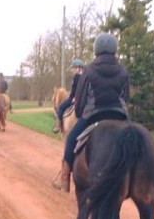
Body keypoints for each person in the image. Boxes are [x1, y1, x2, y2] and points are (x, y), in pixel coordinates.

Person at [55, 33, 129, 192]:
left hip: (93, 115)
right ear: (114, 50)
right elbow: (126, 97)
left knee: (71, 138)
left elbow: (80, 102)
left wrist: (82, 113)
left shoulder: (88, 71)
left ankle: (65, 178)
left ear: (96, 50)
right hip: (119, 115)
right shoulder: (123, 71)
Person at [53, 58, 85, 133]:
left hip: (75, 99)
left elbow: (74, 90)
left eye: (74, 68)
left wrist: (72, 97)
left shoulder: (77, 77)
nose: (73, 70)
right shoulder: (86, 76)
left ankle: (58, 126)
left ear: (79, 68)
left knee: (61, 107)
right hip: (85, 99)